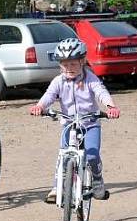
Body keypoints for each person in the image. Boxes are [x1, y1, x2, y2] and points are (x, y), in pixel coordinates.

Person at [27, 38, 120, 203]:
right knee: (63, 155)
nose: (68, 68)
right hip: (69, 125)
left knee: (91, 155)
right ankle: (57, 188)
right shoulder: (58, 81)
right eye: (64, 65)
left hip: (90, 124)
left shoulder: (90, 78)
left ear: (82, 62)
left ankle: (97, 179)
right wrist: (39, 106)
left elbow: (101, 92)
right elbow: (49, 96)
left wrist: (110, 107)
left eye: (73, 64)